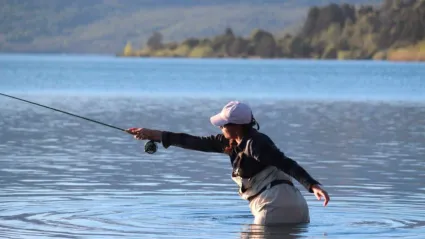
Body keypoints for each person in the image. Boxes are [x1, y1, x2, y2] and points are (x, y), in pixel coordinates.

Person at [126, 100, 330, 225]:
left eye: (224, 124)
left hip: (273, 208)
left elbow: (286, 163)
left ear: (237, 126)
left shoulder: (255, 144)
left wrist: (312, 185)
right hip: (298, 209)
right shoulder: (233, 141)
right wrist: (151, 134)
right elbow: (192, 141)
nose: (221, 127)